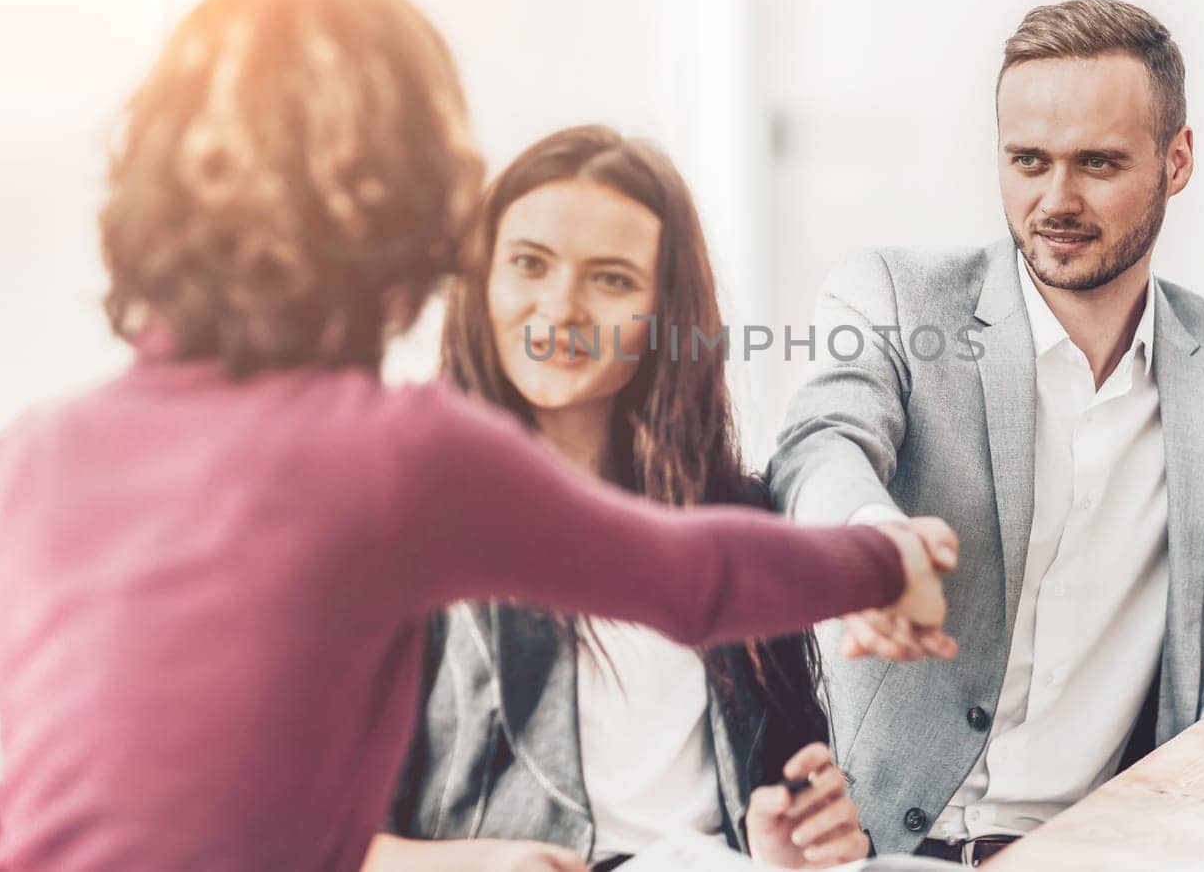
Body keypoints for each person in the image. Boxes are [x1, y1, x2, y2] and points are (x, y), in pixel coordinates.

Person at [0, 0, 958, 872]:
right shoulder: (396, 454)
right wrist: (885, 563)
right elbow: (696, 581)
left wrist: (37, 829)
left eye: (607, 278)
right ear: (425, 210)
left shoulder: (21, 457)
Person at [769, 0, 1204, 862]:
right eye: (1027, 160)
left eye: (1098, 163)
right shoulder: (893, 297)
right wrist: (875, 545)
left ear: (1177, 160)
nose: (1055, 199)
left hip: (1116, 849)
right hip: (882, 850)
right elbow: (818, 446)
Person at [369, 127, 872, 872]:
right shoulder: (397, 525)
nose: (562, 307)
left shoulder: (737, 517)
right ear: (480, 278)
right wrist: (480, 865)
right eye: (530, 264)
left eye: (610, 279)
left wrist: (790, 843)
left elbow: (780, 803)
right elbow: (301, 838)